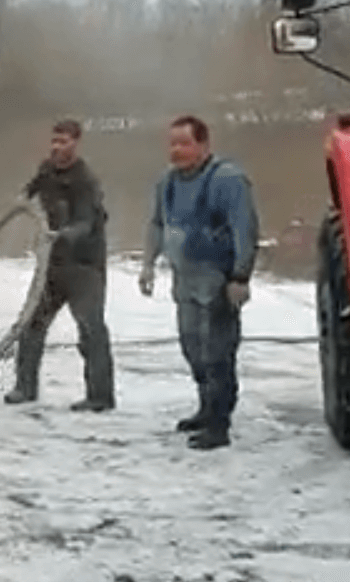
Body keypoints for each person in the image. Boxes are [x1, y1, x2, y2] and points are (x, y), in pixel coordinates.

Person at [138, 115, 260, 450]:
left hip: (218, 280)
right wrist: (148, 264)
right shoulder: (168, 182)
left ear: (204, 145)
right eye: (172, 143)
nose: (176, 150)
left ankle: (219, 424)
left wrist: (240, 276)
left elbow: (244, 229)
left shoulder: (227, 180)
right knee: (192, 348)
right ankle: (205, 409)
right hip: (185, 280)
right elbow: (157, 224)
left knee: (218, 351)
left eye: (185, 143)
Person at [5, 119, 115, 412]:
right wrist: (22, 201)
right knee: (31, 324)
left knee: (91, 330)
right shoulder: (47, 170)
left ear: (76, 143)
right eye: (54, 141)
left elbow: (88, 223)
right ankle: (24, 387)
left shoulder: (86, 181)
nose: (57, 147)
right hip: (52, 266)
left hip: (84, 266)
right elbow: (30, 190)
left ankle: (100, 396)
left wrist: (61, 235)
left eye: (63, 142)